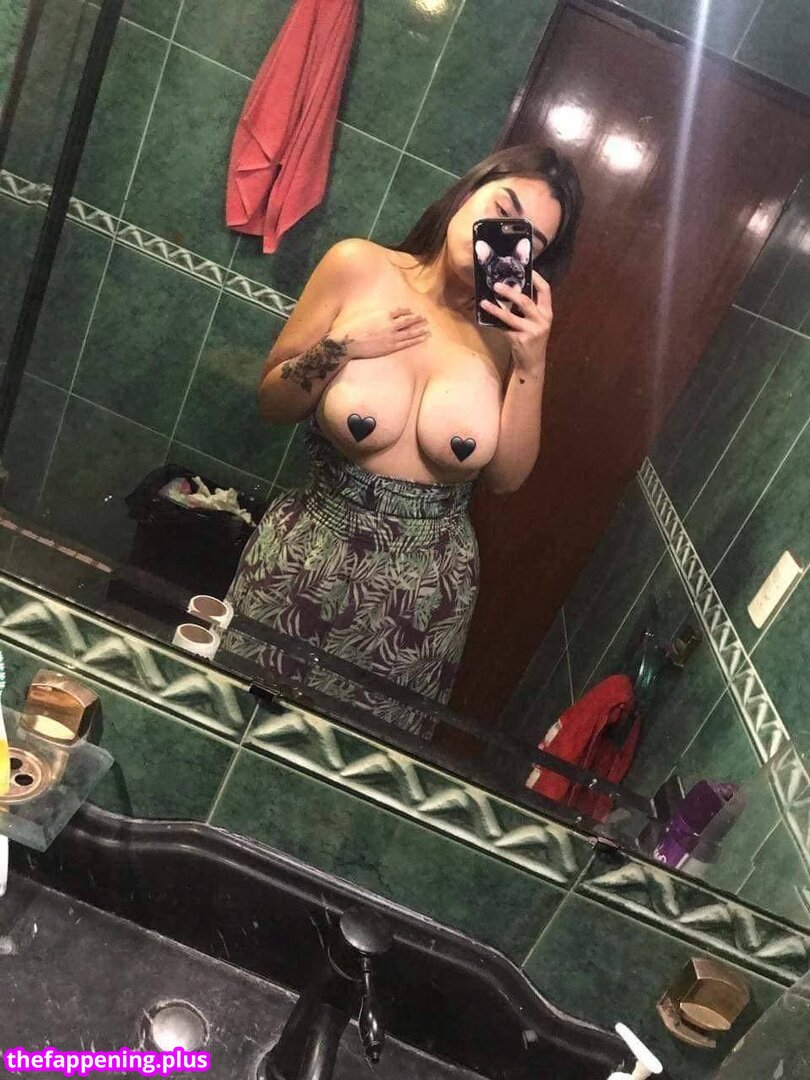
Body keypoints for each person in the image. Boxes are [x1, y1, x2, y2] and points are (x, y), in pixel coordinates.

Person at [225, 144, 583, 735]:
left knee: (354, 768)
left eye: (529, 242)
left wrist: (533, 363)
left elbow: (506, 479)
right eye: (503, 211)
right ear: (468, 190)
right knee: (233, 721)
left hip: (425, 597)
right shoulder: (358, 267)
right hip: (304, 558)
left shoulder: (507, 338)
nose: (502, 240)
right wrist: (343, 345)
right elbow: (273, 403)